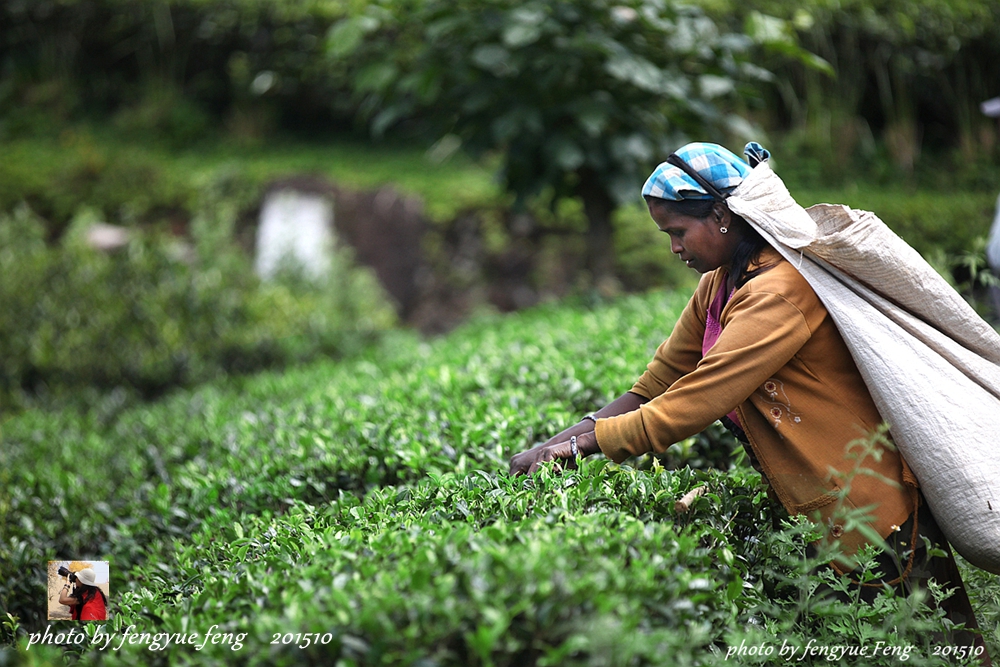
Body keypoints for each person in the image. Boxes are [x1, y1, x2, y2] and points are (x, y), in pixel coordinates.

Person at [508, 142, 991, 664]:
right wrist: (553, 443)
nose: (673, 248)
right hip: (817, 509)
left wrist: (581, 448)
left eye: (677, 231)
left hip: (872, 513)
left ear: (721, 215)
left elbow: (693, 402)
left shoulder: (780, 291)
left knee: (946, 653)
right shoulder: (720, 284)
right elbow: (655, 384)